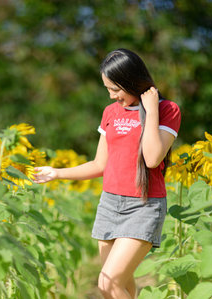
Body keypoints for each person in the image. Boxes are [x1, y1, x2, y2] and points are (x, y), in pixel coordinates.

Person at [33, 48, 181, 299]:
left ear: (132, 81)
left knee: (107, 283)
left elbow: (153, 158)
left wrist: (151, 110)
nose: (112, 96)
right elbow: (99, 164)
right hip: (110, 205)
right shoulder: (110, 113)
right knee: (121, 287)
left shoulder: (168, 110)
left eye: (116, 89)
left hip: (143, 207)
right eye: (108, 89)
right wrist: (56, 173)